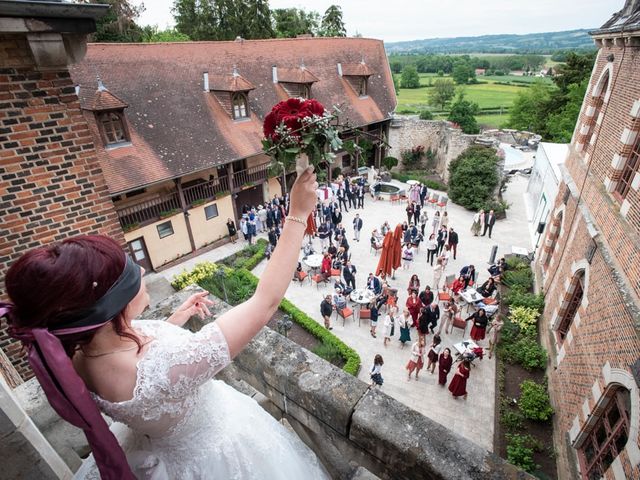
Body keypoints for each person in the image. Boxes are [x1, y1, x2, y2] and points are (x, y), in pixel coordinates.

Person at [2, 168, 329, 479]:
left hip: (160, 449)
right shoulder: (165, 367)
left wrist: (174, 320)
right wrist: (297, 214)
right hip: (217, 453)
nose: (143, 272)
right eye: (131, 276)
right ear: (110, 308)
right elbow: (264, 303)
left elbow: (142, 365)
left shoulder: (74, 354)